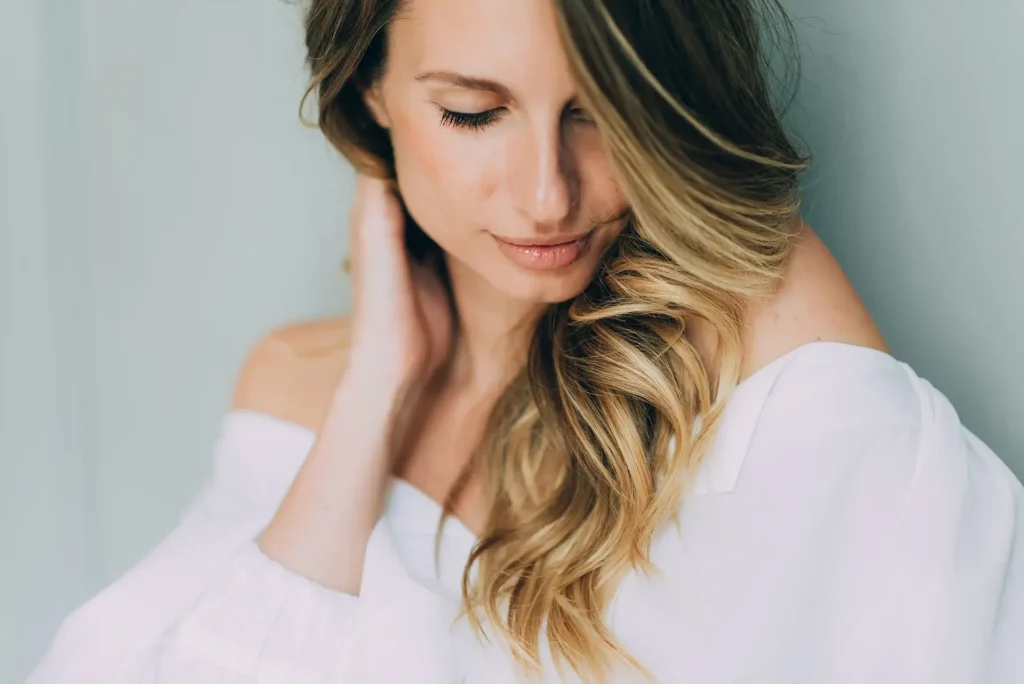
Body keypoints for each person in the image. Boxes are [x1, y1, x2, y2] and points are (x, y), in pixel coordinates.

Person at [27, 0, 1023, 682]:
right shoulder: (296, 385)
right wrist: (376, 386)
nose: (548, 194)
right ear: (370, 90)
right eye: (473, 113)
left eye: (600, 114)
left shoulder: (767, 362)